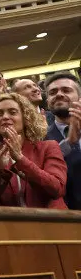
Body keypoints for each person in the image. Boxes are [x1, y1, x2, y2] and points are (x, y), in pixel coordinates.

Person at [0, 93, 66, 208]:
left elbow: (56, 189)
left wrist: (20, 159)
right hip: (10, 224)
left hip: (51, 222)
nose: (5, 117)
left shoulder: (48, 147)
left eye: (12, 112)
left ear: (25, 118)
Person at [43, 73, 81, 210]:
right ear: (47, 101)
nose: (59, 94)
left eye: (66, 90)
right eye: (53, 92)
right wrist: (69, 143)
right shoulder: (40, 139)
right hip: (69, 219)